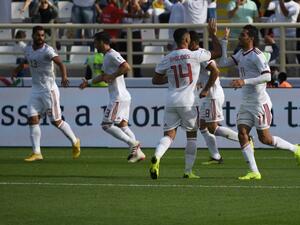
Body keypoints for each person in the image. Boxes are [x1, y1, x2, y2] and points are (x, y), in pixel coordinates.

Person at [219, 24, 300, 180]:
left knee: (265, 139)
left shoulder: (257, 55)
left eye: (243, 35)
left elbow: (267, 76)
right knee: (242, 133)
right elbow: (222, 63)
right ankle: (254, 171)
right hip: (246, 102)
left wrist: (244, 82)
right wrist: (224, 42)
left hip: (259, 103)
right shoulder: (241, 54)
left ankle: (295, 148)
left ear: (251, 38)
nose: (240, 37)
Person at [149, 20, 222, 180]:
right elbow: (218, 52)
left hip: (171, 100)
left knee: (168, 135)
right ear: (187, 40)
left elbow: (155, 80)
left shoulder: (167, 58)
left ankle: (157, 156)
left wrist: (171, 80)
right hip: (189, 101)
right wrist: (213, 34)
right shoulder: (195, 55)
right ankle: (188, 171)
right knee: (191, 136)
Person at [11, 26, 81, 162]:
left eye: (42, 35)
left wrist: (64, 77)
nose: (41, 38)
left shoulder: (47, 50)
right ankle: (37, 152)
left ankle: (75, 140)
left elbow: (60, 63)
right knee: (32, 117)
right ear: (33, 36)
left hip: (49, 90)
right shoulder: (29, 49)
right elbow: (27, 61)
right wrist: (16, 70)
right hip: (36, 89)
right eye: (38, 35)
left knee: (56, 121)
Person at [79, 31, 145, 163]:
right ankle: (138, 153)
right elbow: (103, 76)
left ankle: (133, 144)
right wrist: (89, 83)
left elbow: (127, 67)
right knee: (123, 125)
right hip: (123, 96)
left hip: (118, 97)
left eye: (96, 42)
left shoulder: (112, 54)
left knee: (106, 125)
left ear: (102, 42)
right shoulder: (106, 56)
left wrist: (112, 75)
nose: (95, 45)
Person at [189, 30, 245, 165]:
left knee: (212, 127)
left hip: (212, 95)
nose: (185, 44)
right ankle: (216, 156)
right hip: (207, 96)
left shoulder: (201, 55)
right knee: (202, 125)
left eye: (188, 41)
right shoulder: (195, 54)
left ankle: (246, 139)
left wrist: (206, 89)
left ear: (194, 43)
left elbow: (216, 72)